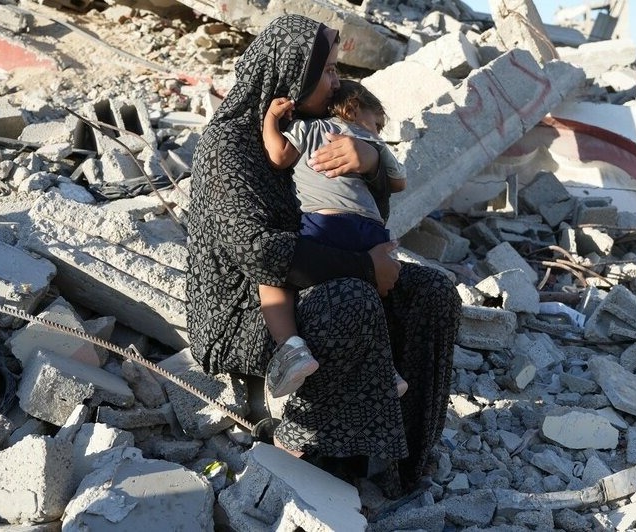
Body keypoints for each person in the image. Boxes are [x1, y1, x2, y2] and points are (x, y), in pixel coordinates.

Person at [187, 14, 461, 493]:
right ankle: (304, 447)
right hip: (249, 312)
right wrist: (363, 268)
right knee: (350, 299)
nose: (338, 81)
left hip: (314, 279)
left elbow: (364, 218)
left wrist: (371, 163)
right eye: (330, 71)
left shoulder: (318, 128)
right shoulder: (227, 148)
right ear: (296, 75)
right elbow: (261, 254)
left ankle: (407, 458)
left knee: (433, 293)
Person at [258, 80, 408, 399]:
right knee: (373, 297)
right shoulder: (372, 143)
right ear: (354, 109)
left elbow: (276, 157)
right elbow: (398, 183)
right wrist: (372, 157)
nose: (378, 132)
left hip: (324, 223)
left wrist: (271, 119)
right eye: (377, 123)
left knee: (273, 276)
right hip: (372, 232)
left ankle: (291, 349)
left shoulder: (308, 129)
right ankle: (385, 369)